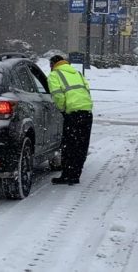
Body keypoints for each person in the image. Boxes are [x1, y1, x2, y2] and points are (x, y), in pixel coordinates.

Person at [47, 54, 94, 185]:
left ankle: (67, 175)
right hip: (87, 112)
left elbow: (58, 96)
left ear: (53, 65)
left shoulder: (54, 75)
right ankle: (76, 174)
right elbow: (87, 90)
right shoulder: (77, 73)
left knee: (69, 146)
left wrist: (63, 110)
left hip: (72, 113)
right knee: (81, 146)